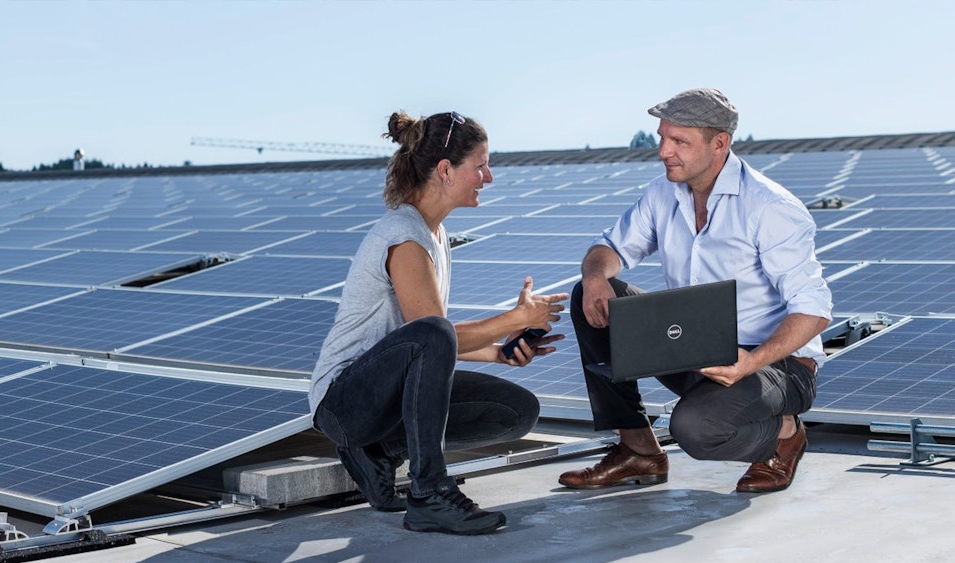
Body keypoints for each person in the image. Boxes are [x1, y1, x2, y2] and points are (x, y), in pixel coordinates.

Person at [558, 88, 832, 494]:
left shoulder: (770, 207)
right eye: (662, 138)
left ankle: (784, 434)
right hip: (693, 344)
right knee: (593, 294)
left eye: (679, 141)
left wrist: (750, 362)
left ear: (719, 143)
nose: (663, 151)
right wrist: (596, 275)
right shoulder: (662, 193)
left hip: (773, 365)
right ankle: (639, 451)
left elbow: (814, 309)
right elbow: (609, 249)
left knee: (695, 428)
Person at [309, 110, 569, 535]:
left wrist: (501, 354)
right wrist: (515, 317)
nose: (488, 176)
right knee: (434, 330)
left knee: (517, 411)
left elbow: (430, 346)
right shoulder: (404, 237)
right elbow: (432, 334)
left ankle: (377, 452)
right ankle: (429, 493)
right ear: (446, 170)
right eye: (480, 165)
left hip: (384, 399)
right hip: (344, 405)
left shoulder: (435, 234)